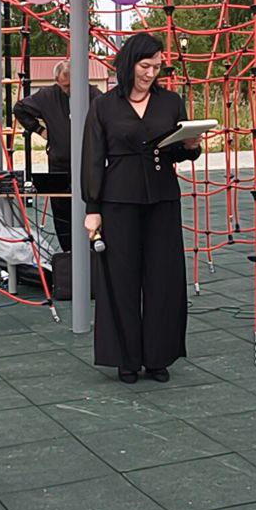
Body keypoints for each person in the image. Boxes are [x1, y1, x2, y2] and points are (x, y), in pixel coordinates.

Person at [81, 32, 201, 384]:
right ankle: (126, 359)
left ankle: (158, 356)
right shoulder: (104, 105)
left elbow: (179, 151)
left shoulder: (171, 102)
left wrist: (191, 146)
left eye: (157, 67)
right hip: (118, 201)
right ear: (130, 63)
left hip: (162, 199)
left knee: (164, 278)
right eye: (145, 66)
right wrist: (92, 207)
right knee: (121, 279)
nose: (151, 73)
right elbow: (93, 158)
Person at [12, 60, 101, 252]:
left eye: (73, 85)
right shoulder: (48, 96)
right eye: (65, 86)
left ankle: (93, 255)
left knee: (92, 211)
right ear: (57, 82)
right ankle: (68, 256)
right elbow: (19, 108)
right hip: (60, 165)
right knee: (62, 216)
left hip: (89, 165)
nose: (70, 90)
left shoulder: (94, 95)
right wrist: (39, 130)